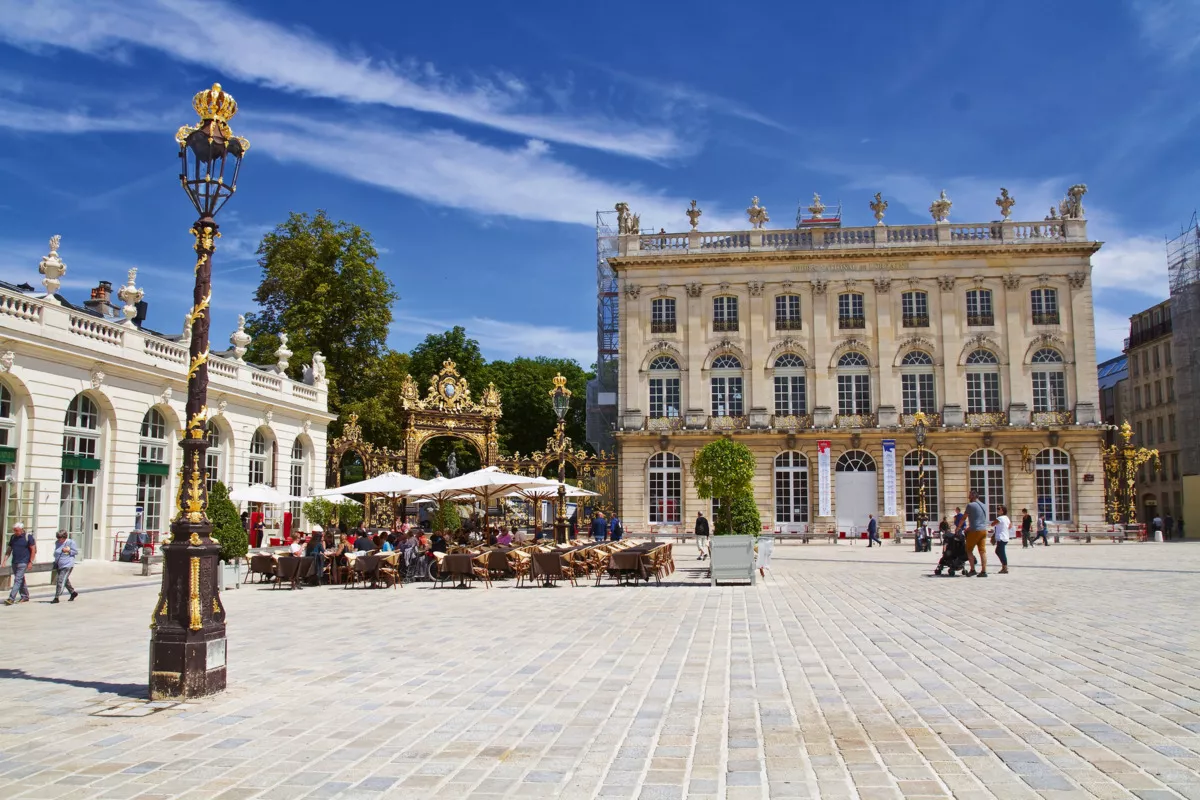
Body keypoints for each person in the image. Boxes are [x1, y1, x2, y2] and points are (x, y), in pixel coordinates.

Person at [4, 522, 36, 605]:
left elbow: (33, 549)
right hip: (14, 561)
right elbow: (9, 549)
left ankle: (11, 598)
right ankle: (25, 596)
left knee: (17, 580)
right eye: (14, 530)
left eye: (16, 530)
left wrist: (31, 562)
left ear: (21, 529)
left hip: (23, 562)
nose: (15, 532)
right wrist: (4, 561)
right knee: (20, 579)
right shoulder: (13, 537)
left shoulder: (28, 537)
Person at [965, 490, 989, 577]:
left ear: (973, 496)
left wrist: (958, 527)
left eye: (970, 495)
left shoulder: (970, 505)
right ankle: (984, 571)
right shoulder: (984, 505)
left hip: (974, 530)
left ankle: (972, 570)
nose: (968, 497)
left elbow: (964, 517)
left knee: (968, 550)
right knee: (982, 551)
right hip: (983, 530)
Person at [52, 530, 79, 603]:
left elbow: (76, 552)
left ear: (64, 537)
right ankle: (73, 593)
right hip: (59, 564)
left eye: (60, 538)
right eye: (57, 538)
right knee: (65, 580)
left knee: (60, 580)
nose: (58, 539)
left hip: (67, 564)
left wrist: (68, 551)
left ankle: (56, 597)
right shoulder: (57, 542)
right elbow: (57, 551)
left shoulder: (70, 542)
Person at [992, 504, 1011, 574]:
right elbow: (1010, 526)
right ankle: (1004, 566)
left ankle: (1005, 567)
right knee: (998, 551)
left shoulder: (1000, 518)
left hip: (1001, 537)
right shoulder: (1006, 518)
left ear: (1002, 511)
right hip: (1005, 536)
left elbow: (992, 524)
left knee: (1001, 552)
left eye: (999, 509)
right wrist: (1004, 529)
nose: (997, 510)